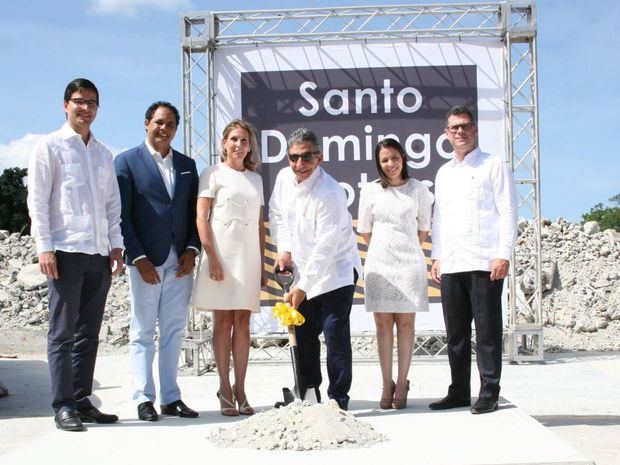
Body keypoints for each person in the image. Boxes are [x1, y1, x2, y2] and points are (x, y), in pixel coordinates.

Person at [27, 78, 124, 432]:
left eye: (92, 103)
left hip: (98, 254)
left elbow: (112, 205)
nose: (86, 108)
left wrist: (116, 244)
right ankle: (63, 405)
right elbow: (37, 201)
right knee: (62, 333)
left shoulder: (102, 153)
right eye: (79, 101)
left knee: (89, 334)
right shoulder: (49, 146)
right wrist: (44, 246)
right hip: (65, 252)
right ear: (65, 104)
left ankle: (83, 401)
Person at [428, 106, 517, 414]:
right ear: (446, 134)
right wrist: (437, 255)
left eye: (465, 126)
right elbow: (439, 217)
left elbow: (508, 211)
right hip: (452, 263)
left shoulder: (494, 166)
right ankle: (459, 390)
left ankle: (489, 390)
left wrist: (503, 254)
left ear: (475, 129)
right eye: (454, 128)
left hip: (484, 262)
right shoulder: (444, 172)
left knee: (488, 331)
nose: (460, 132)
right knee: (456, 334)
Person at [115, 102, 200, 421]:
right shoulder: (125, 162)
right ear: (147, 123)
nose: (165, 129)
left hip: (180, 262)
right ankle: (143, 397)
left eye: (171, 124)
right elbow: (121, 217)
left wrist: (192, 250)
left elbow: (194, 214)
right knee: (142, 330)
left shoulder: (187, 165)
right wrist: (138, 258)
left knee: (174, 330)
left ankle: (171, 397)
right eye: (159, 122)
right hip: (145, 263)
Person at [268, 127, 361, 411]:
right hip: (302, 271)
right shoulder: (285, 179)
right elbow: (277, 214)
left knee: (334, 336)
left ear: (319, 157)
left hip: (336, 273)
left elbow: (326, 247)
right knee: (305, 335)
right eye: (293, 157)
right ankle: (308, 393)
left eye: (306, 157)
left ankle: (338, 401)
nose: (299, 165)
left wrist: (302, 287)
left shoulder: (329, 192)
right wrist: (284, 249)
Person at [190, 119, 265, 416]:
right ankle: (223, 387)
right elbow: (200, 218)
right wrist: (212, 257)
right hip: (221, 253)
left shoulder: (256, 179)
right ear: (224, 143)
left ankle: (241, 389)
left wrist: (261, 264)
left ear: (250, 146)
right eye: (234, 139)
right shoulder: (212, 173)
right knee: (223, 322)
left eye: (244, 140)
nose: (239, 145)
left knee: (243, 322)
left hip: (248, 256)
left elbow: (259, 224)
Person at [357, 138, 433, 410]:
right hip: (380, 262)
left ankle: (402, 382)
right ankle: (385, 382)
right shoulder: (371, 190)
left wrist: (408, 246)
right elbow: (365, 228)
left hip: (409, 263)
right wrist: (382, 247)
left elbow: (424, 226)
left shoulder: (419, 189)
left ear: (403, 156)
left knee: (406, 324)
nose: (390, 164)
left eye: (394, 157)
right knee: (382, 324)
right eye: (384, 160)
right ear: (379, 163)